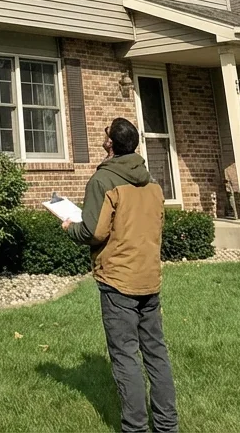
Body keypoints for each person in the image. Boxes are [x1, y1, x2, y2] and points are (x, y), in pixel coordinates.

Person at [62, 116, 178, 433]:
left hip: (118, 283)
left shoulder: (103, 182)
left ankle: (135, 427)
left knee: (125, 356)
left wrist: (71, 228)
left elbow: (95, 232)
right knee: (156, 353)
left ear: (110, 143)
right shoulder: (153, 185)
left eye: (105, 134)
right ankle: (168, 426)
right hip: (149, 279)